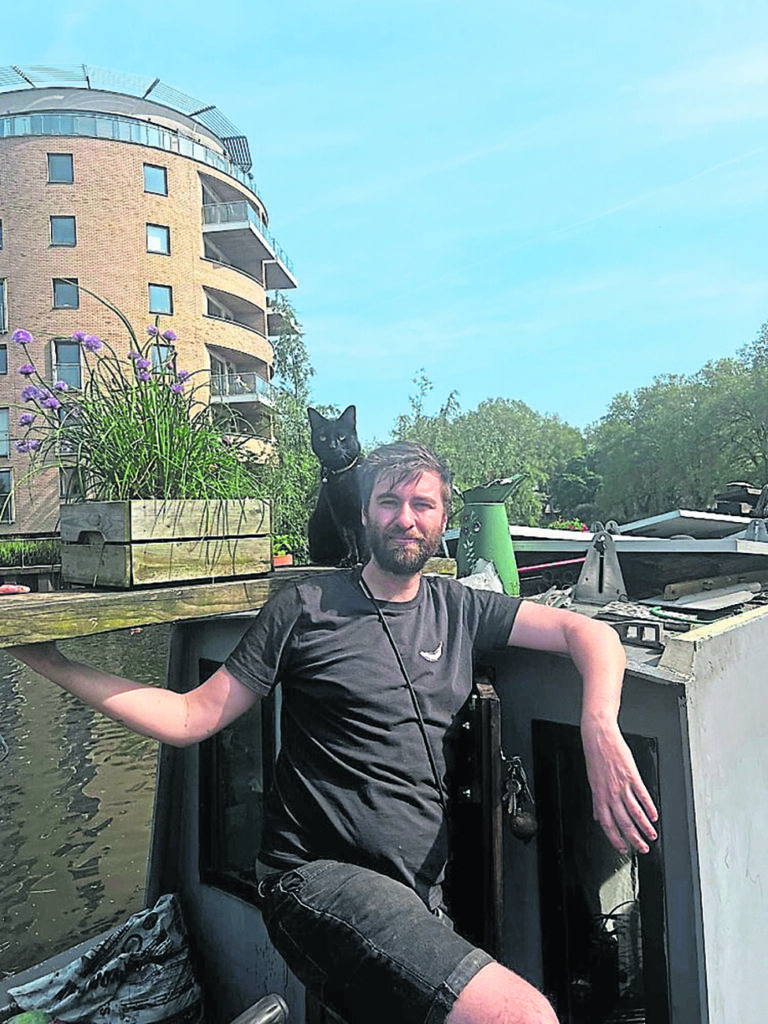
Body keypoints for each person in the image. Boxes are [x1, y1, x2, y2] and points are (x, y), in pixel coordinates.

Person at [9, 441, 658, 1024]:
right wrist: (56, 664)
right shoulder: (306, 607)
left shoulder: (459, 607)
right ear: (365, 513)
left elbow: (588, 631)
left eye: (423, 504)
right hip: (314, 882)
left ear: (442, 518)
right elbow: (189, 718)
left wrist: (599, 725)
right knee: (522, 1017)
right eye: (390, 501)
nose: (406, 517)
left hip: (415, 897)